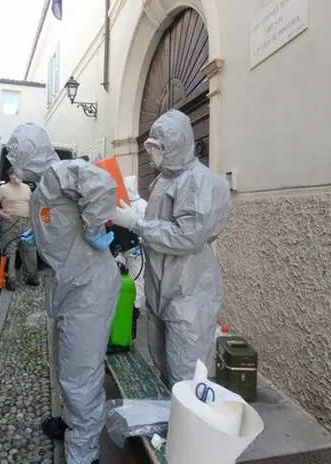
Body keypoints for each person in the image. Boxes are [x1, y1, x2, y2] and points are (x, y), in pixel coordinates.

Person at [6, 123, 119, 464]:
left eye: (15, 155)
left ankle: (84, 453)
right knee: (67, 363)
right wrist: (36, 238)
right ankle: (71, 422)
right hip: (71, 284)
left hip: (89, 286)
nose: (12, 163)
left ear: (29, 153)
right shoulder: (43, 188)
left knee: (80, 374)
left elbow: (102, 184)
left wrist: (94, 225)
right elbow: (60, 225)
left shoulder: (58, 173)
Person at [111, 109, 232, 387]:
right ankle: (171, 426)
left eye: (160, 148)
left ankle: (187, 429)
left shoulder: (199, 181)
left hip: (189, 289)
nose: (154, 154)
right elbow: (159, 224)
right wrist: (134, 219)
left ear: (177, 144)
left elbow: (187, 236)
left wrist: (136, 224)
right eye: (151, 147)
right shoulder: (164, 179)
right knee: (165, 367)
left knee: (185, 377)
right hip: (162, 287)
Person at [0, 166, 39, 290]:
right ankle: (10, 279)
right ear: (10, 176)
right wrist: (2, 215)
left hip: (26, 221)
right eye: (15, 175)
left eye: (19, 175)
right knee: (9, 251)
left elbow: (31, 203)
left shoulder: (26, 188)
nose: (18, 178)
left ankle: (32, 276)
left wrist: (33, 219)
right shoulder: (3, 189)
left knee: (29, 249)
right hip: (9, 222)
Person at [114, 175, 148, 317]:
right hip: (123, 248)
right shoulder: (122, 203)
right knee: (124, 279)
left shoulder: (142, 205)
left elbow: (148, 227)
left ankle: (134, 308)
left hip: (137, 249)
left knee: (137, 280)